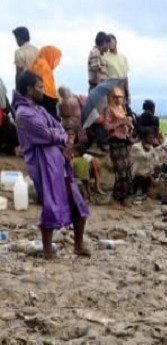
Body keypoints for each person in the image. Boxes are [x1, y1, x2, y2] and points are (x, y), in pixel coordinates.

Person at [12, 71, 90, 259]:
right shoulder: (24, 114)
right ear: (30, 89)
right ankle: (48, 251)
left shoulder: (38, 109)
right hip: (45, 166)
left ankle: (78, 245)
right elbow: (48, 134)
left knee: (77, 203)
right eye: (40, 87)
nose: (43, 90)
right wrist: (59, 135)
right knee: (51, 206)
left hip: (59, 163)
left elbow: (58, 128)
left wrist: (58, 134)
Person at [102, 86, 133, 207]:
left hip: (124, 141)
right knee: (120, 171)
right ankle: (115, 199)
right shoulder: (109, 109)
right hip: (115, 142)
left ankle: (123, 197)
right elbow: (107, 127)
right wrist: (120, 122)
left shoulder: (122, 108)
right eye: (114, 97)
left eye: (119, 97)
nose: (117, 99)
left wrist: (129, 124)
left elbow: (127, 128)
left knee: (127, 170)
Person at [29, 46, 61, 119]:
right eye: (55, 58)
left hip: (39, 98)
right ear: (50, 55)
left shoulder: (37, 62)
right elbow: (48, 88)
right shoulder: (43, 65)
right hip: (46, 99)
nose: (56, 62)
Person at [130, 128, 159, 198]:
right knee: (141, 177)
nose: (152, 139)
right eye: (150, 137)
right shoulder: (136, 147)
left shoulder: (151, 147)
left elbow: (155, 162)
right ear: (143, 137)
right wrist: (157, 149)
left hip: (147, 175)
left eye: (153, 137)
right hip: (137, 176)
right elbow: (145, 156)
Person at [103, 34, 129, 99]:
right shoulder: (104, 56)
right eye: (108, 42)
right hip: (112, 90)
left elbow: (126, 77)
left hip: (122, 89)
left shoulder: (123, 57)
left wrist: (128, 93)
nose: (110, 44)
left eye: (111, 41)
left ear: (116, 42)